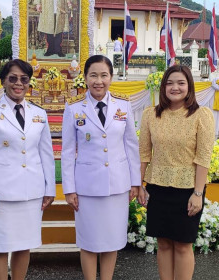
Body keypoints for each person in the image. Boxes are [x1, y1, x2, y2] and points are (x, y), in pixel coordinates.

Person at [61, 55, 143, 280]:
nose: (99, 81)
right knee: (88, 241)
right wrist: (69, 189)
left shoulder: (123, 105)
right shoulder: (74, 107)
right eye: (93, 75)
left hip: (117, 185)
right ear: (85, 78)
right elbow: (68, 151)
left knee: (112, 240)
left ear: (111, 77)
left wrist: (135, 182)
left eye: (104, 75)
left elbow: (131, 146)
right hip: (86, 187)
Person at [0, 59, 55, 280]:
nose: (18, 84)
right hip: (1, 194)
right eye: (13, 78)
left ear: (29, 84)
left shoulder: (39, 114)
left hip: (31, 192)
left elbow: (46, 153)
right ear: (3, 81)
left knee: (23, 245)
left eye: (24, 79)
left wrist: (50, 189)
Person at [139, 65, 215, 280]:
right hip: (158, 188)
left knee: (183, 245)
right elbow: (144, 153)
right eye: (170, 83)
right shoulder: (151, 115)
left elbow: (203, 157)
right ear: (163, 87)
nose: (175, 87)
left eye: (181, 83)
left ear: (189, 86)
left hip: (188, 189)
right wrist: (141, 186)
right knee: (163, 243)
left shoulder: (202, 115)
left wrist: (198, 193)